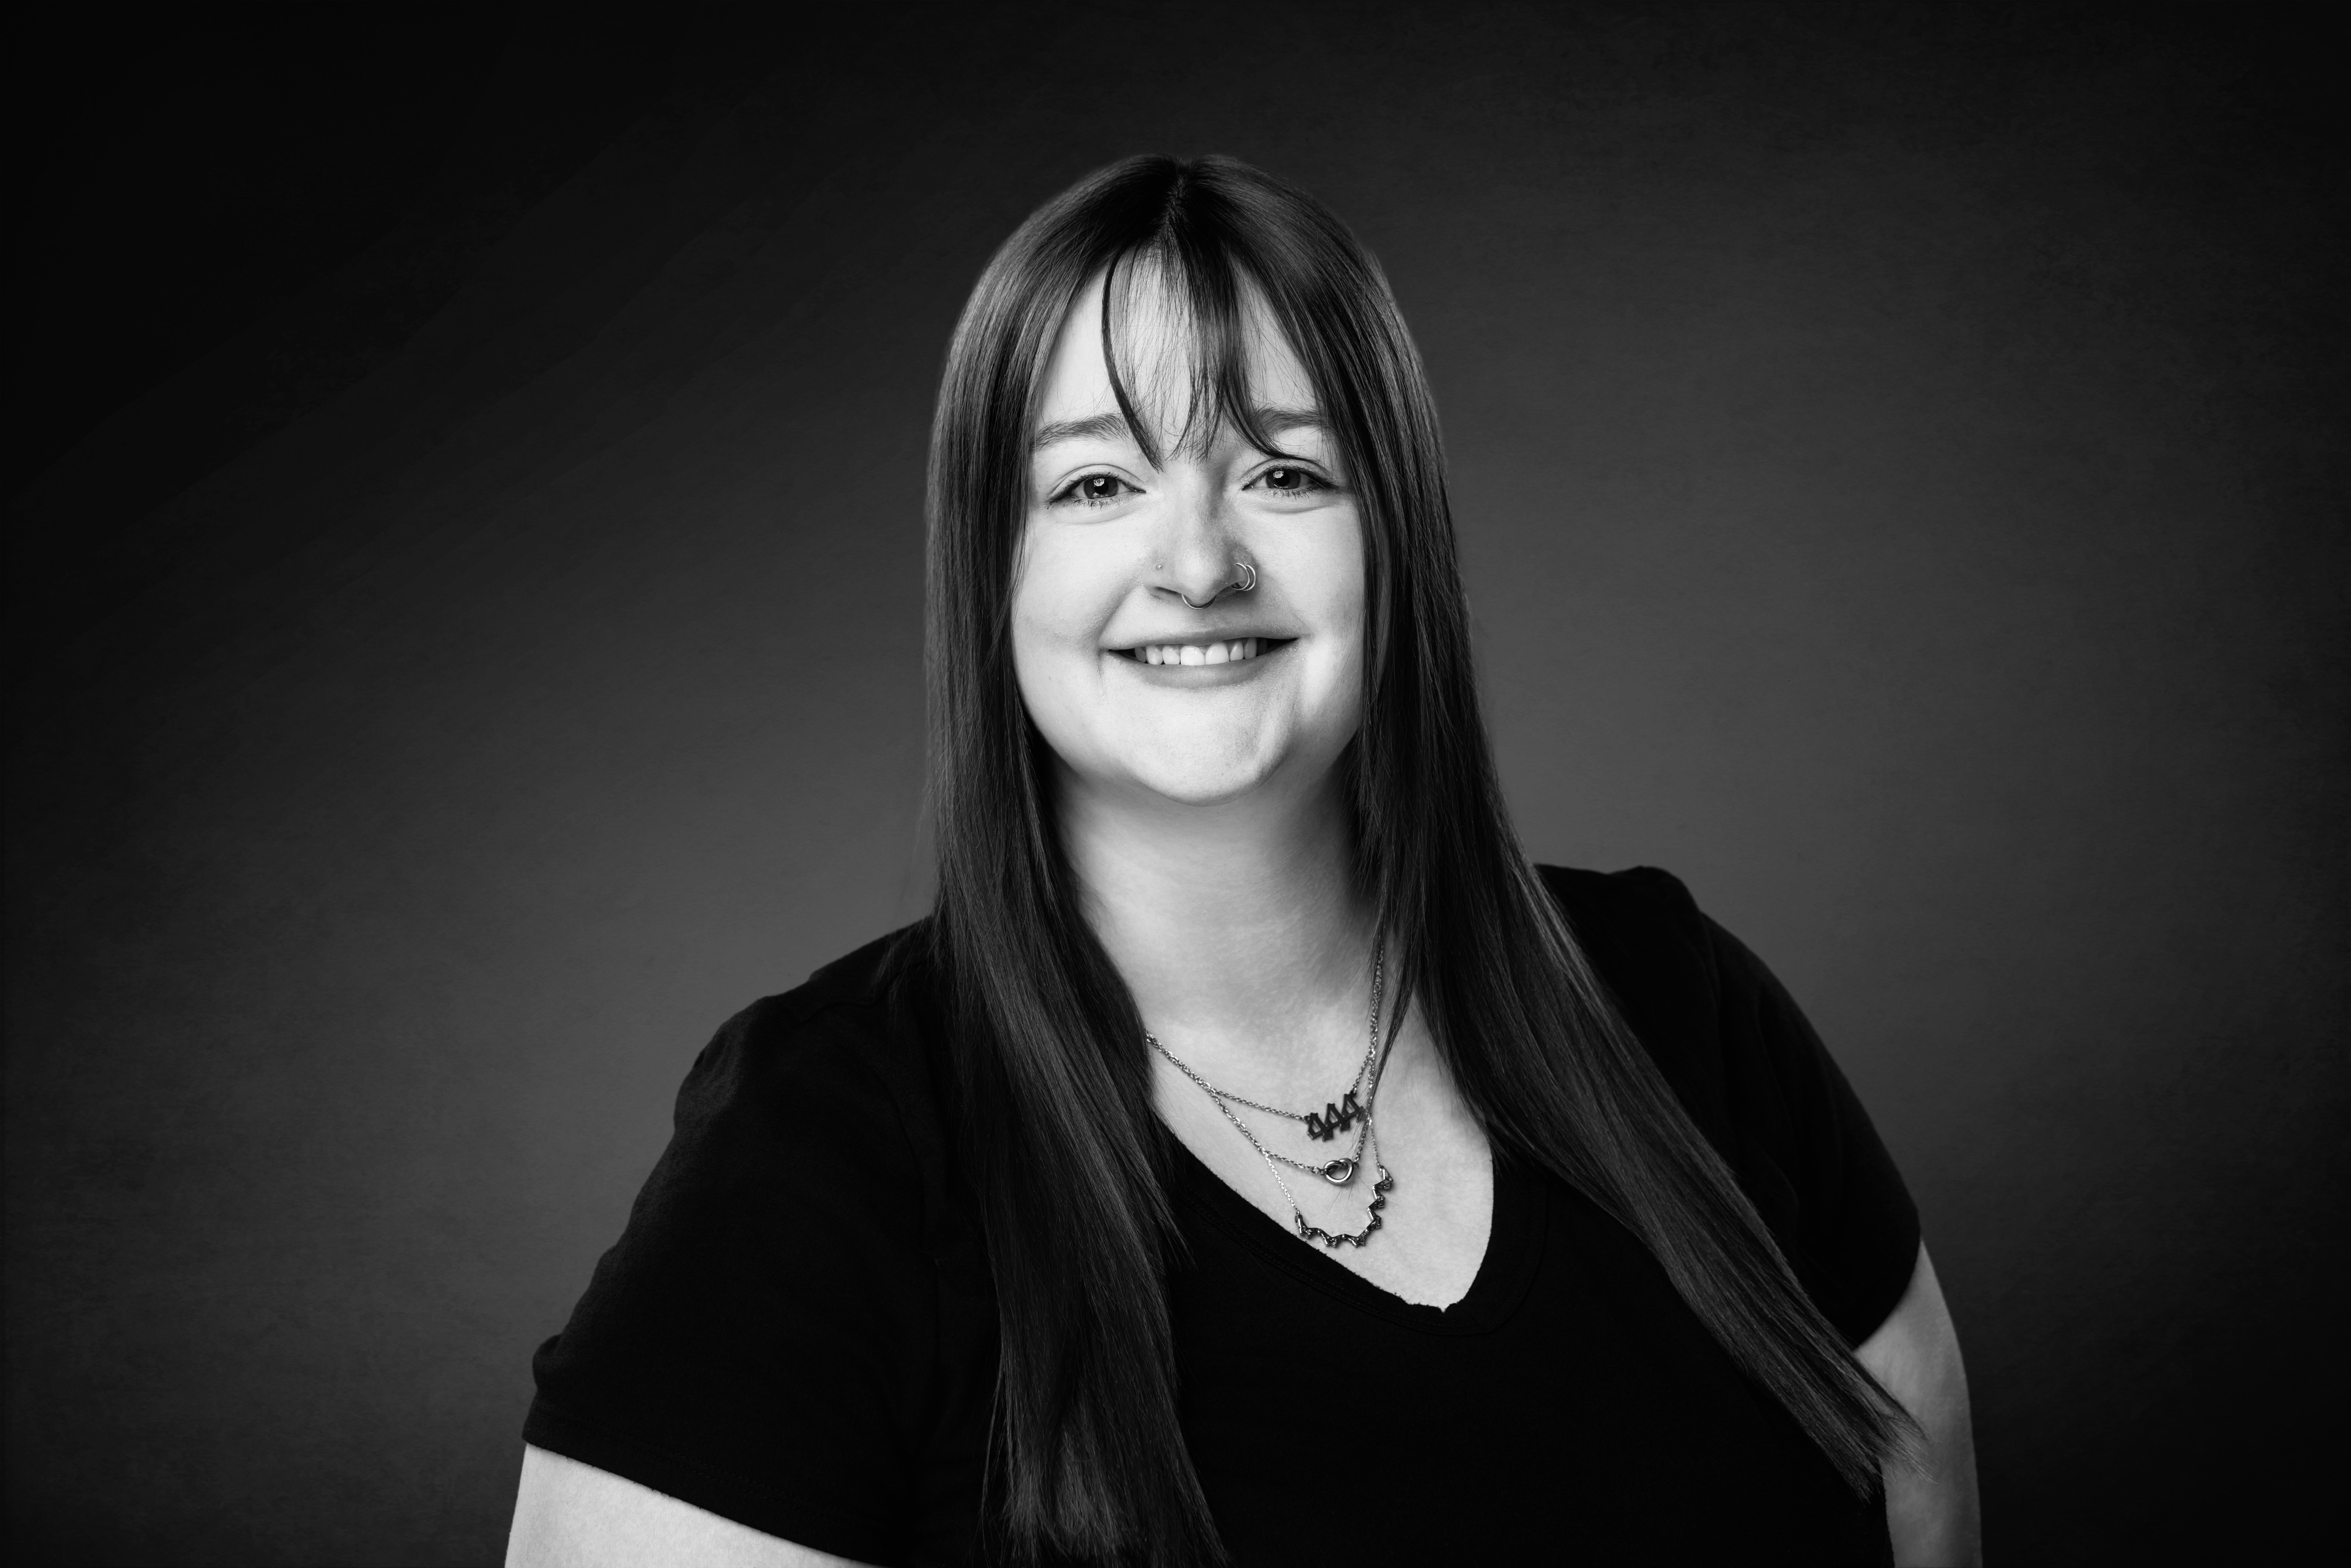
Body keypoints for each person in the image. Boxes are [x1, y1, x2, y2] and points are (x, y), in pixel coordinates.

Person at [504, 154, 1981, 1567]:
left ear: (1394, 533)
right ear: (989, 563)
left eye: (1283, 471)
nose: (1199, 561)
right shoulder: (830, 1151)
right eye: (1094, 486)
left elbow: (1925, 1513)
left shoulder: (1676, 1006)